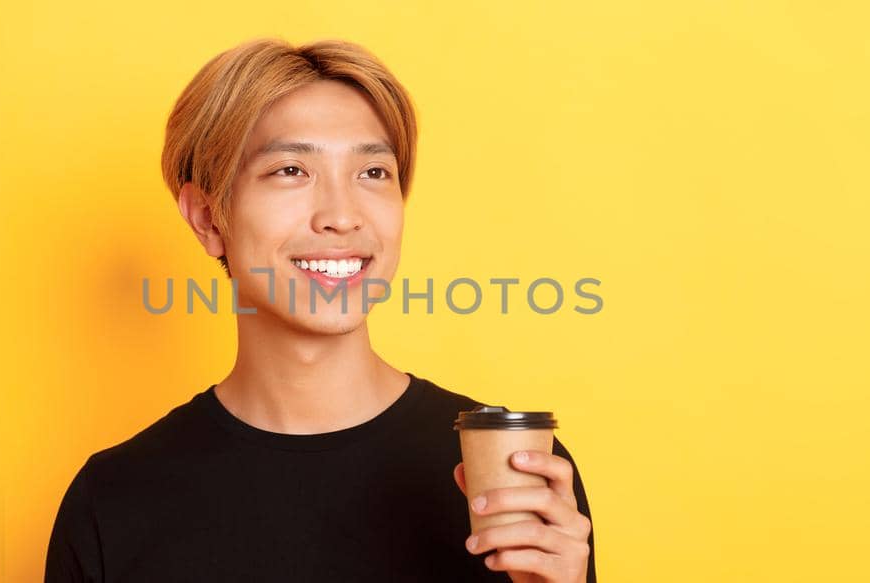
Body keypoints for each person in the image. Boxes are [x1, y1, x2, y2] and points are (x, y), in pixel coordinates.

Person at [45, 38, 595, 582]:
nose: (341, 216)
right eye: (291, 170)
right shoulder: (113, 501)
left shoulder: (511, 476)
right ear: (209, 219)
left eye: (373, 173)